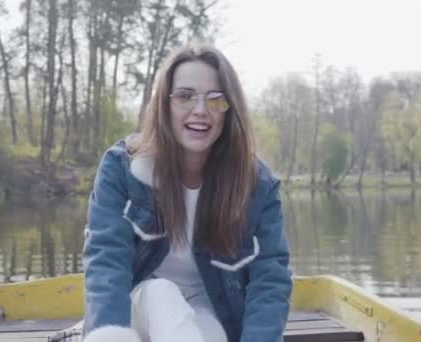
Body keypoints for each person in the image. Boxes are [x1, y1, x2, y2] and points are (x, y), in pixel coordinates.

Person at [82, 44, 292, 342]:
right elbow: (107, 259)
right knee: (163, 295)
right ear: (164, 105)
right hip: (140, 302)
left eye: (216, 99)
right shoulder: (122, 168)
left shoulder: (257, 184)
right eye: (185, 96)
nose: (201, 110)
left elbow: (270, 279)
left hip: (210, 308)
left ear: (230, 110)